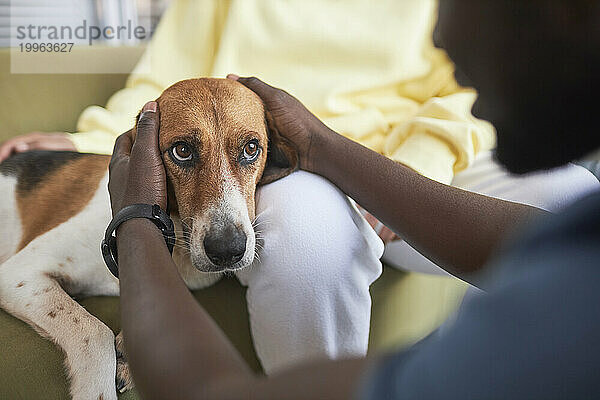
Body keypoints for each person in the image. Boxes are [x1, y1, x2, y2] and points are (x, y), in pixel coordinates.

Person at [1, 0, 598, 374]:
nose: (439, 32)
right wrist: (93, 141)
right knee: (306, 237)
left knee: (571, 201)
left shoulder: (484, 33)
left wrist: (413, 167)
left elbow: (477, 75)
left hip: (432, 148)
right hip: (291, 163)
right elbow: (166, 89)